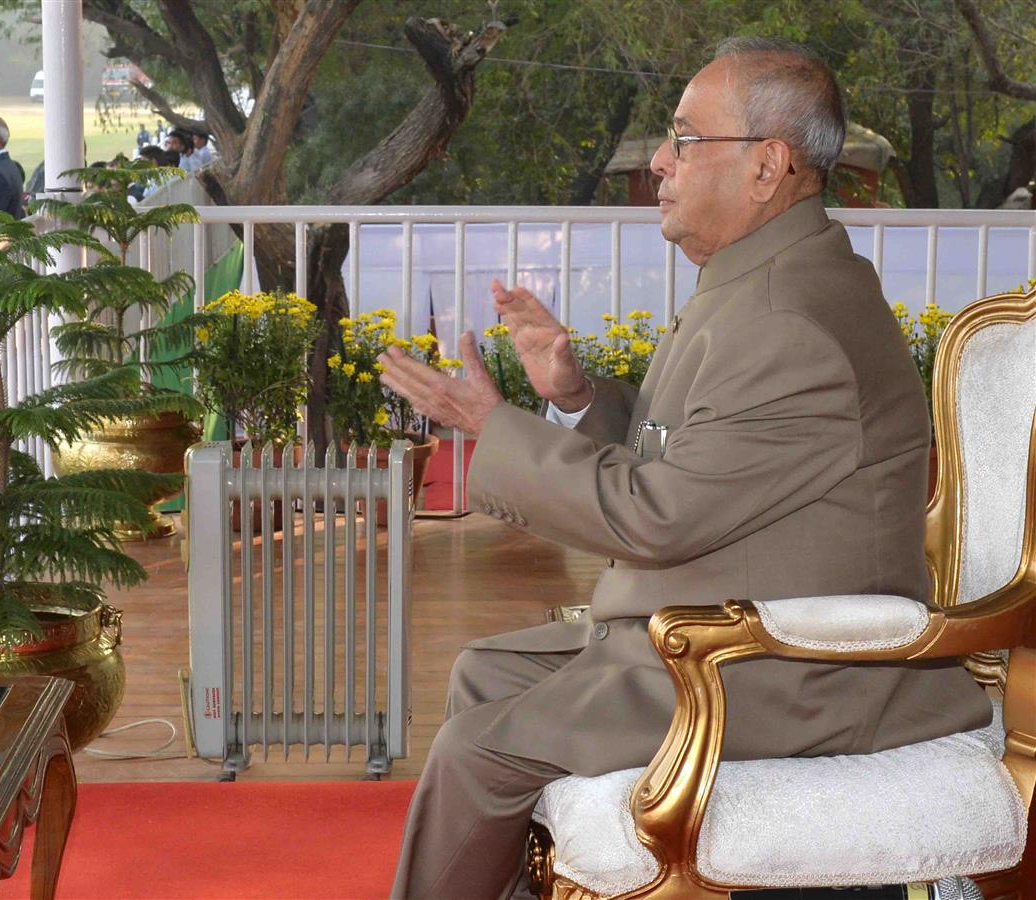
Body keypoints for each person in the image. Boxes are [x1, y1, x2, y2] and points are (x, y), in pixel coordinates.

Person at [378, 37, 991, 899]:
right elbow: (699, 451)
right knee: (486, 670)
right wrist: (580, 394)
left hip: (785, 664)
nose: (662, 162)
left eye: (686, 138)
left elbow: (656, 516)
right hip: (720, 625)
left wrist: (489, 423)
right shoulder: (769, 277)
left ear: (768, 166)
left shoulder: (786, 317)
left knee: (478, 754)